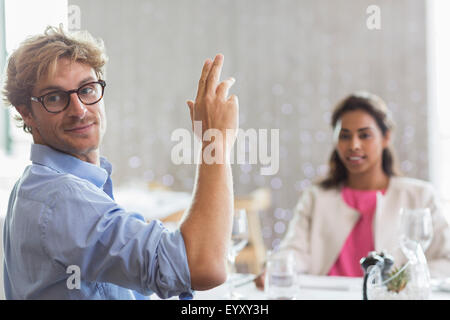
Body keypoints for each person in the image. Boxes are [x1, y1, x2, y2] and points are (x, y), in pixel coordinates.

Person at [2, 26, 239, 299]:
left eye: (87, 90)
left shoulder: (35, 185)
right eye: (55, 97)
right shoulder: (60, 198)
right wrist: (215, 144)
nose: (79, 109)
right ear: (26, 113)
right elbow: (203, 265)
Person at [255, 91, 450, 289]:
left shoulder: (420, 196)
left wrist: (399, 282)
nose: (354, 145)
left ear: (386, 137)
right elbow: (295, 250)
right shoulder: (316, 197)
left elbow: (446, 259)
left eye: (365, 135)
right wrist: (277, 267)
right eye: (344, 136)